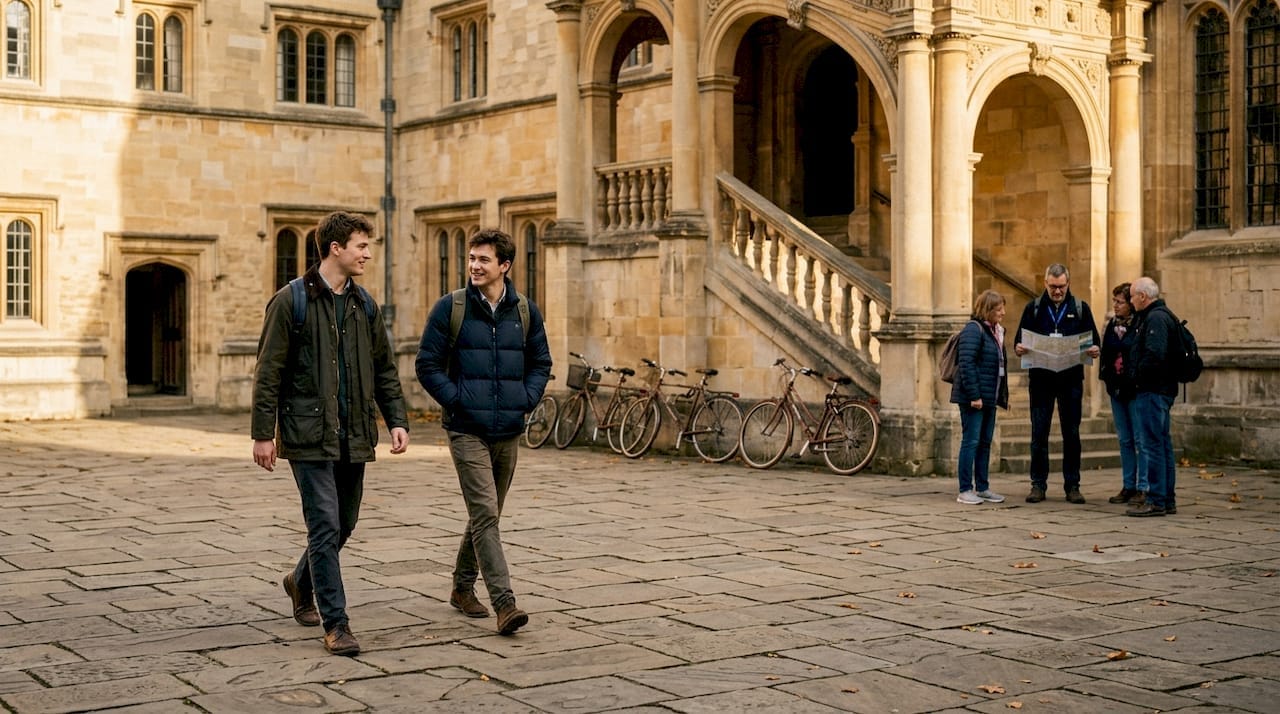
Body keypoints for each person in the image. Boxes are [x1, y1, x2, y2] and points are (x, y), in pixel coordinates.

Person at [252, 211, 410, 657]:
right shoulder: (291, 302)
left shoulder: (366, 305)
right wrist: (264, 433)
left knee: (344, 524)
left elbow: (384, 369)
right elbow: (268, 373)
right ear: (335, 248)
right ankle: (336, 623)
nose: (367, 254)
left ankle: (299, 581)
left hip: (354, 433)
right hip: (306, 434)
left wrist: (396, 419)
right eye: (361, 246)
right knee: (323, 523)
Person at [415, 229, 552, 635]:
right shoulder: (451, 307)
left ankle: (461, 587)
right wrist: (457, 400)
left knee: (485, 514)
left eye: (483, 259)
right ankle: (504, 603)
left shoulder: (525, 311)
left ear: (504, 266)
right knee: (486, 513)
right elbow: (427, 365)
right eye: (472, 258)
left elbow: (541, 362)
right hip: (465, 429)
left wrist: (524, 399)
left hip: (508, 429)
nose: (474, 265)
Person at [1014, 263, 1102, 504]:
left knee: (1071, 434)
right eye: (1053, 287)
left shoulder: (1080, 308)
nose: (1057, 291)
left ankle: (1072, 486)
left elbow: (1094, 340)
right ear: (1045, 283)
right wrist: (1019, 348)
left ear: (1068, 283)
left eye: (1061, 286)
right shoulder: (1032, 308)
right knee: (1039, 433)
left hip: (1070, 380)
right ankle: (1038, 485)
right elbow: (1018, 341)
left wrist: (1094, 349)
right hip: (1041, 380)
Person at [1125, 276, 1179, 517]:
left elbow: (1154, 354)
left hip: (1153, 391)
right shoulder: (1161, 315)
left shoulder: (1155, 318)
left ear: (1143, 297)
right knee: (1162, 443)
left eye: (1132, 296)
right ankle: (1166, 498)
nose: (1130, 300)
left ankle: (1157, 499)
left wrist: (1137, 376)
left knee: (1153, 445)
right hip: (1161, 390)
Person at [951, 290, 1009, 505]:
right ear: (987, 309)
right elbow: (967, 364)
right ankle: (965, 489)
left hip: (989, 397)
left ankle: (982, 487)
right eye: (998, 309)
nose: (1003, 312)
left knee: (985, 443)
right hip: (974, 399)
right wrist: (975, 395)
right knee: (971, 441)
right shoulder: (973, 330)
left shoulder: (995, 331)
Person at [1099, 283, 1141, 505]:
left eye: (1119, 302)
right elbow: (1106, 354)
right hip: (1116, 389)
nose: (1115, 306)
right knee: (1124, 439)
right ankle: (1128, 485)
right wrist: (1106, 378)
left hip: (1133, 389)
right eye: (1113, 301)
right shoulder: (1111, 326)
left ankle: (1143, 486)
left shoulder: (1139, 325)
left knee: (1138, 439)